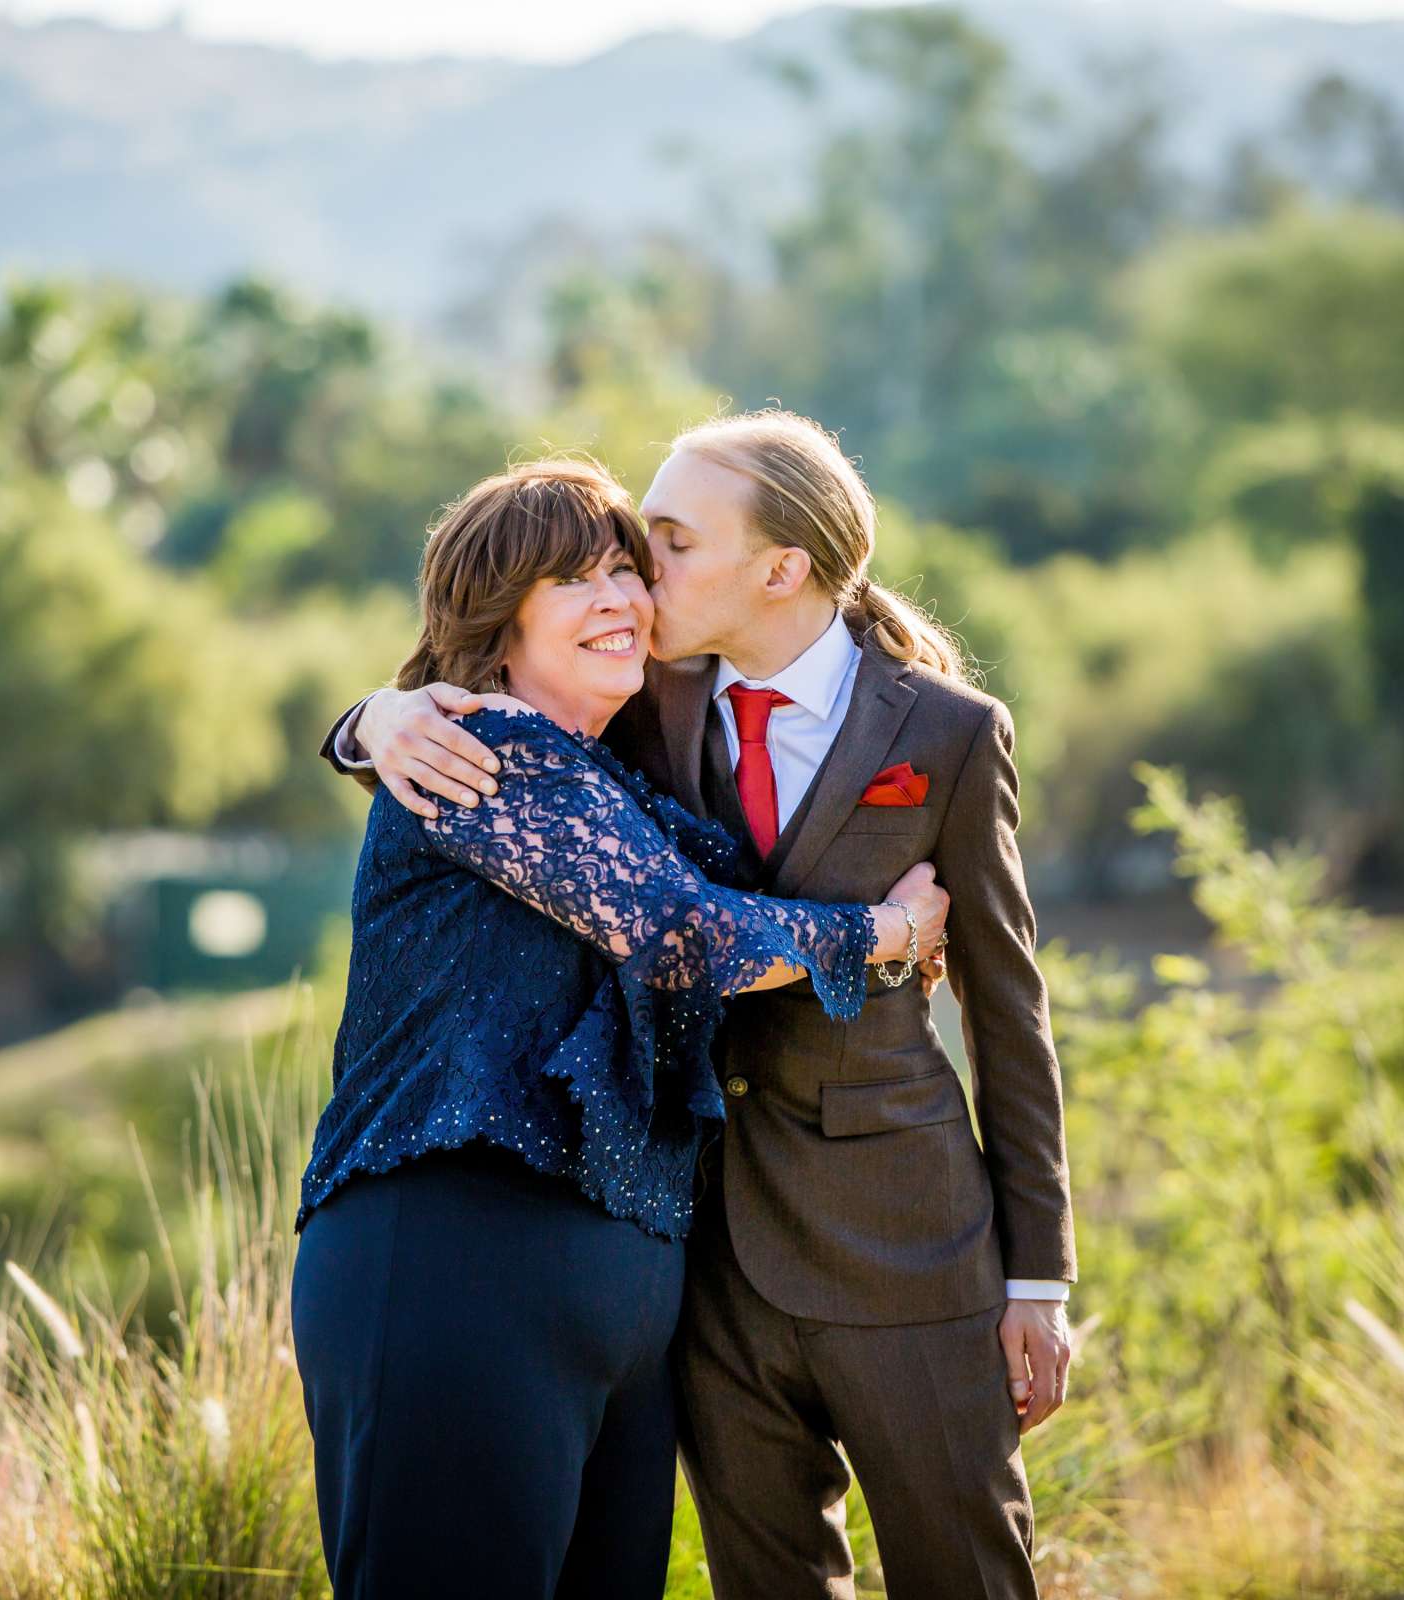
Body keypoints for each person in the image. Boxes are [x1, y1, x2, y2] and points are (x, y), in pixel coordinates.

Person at [326, 408, 1079, 1600]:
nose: (634, 581)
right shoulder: (617, 709)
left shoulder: (938, 731)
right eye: (612, 559)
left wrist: (1038, 1273)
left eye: (652, 549)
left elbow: (1009, 1013)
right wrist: (377, 717)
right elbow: (652, 893)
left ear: (781, 567)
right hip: (669, 1255)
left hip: (891, 1237)